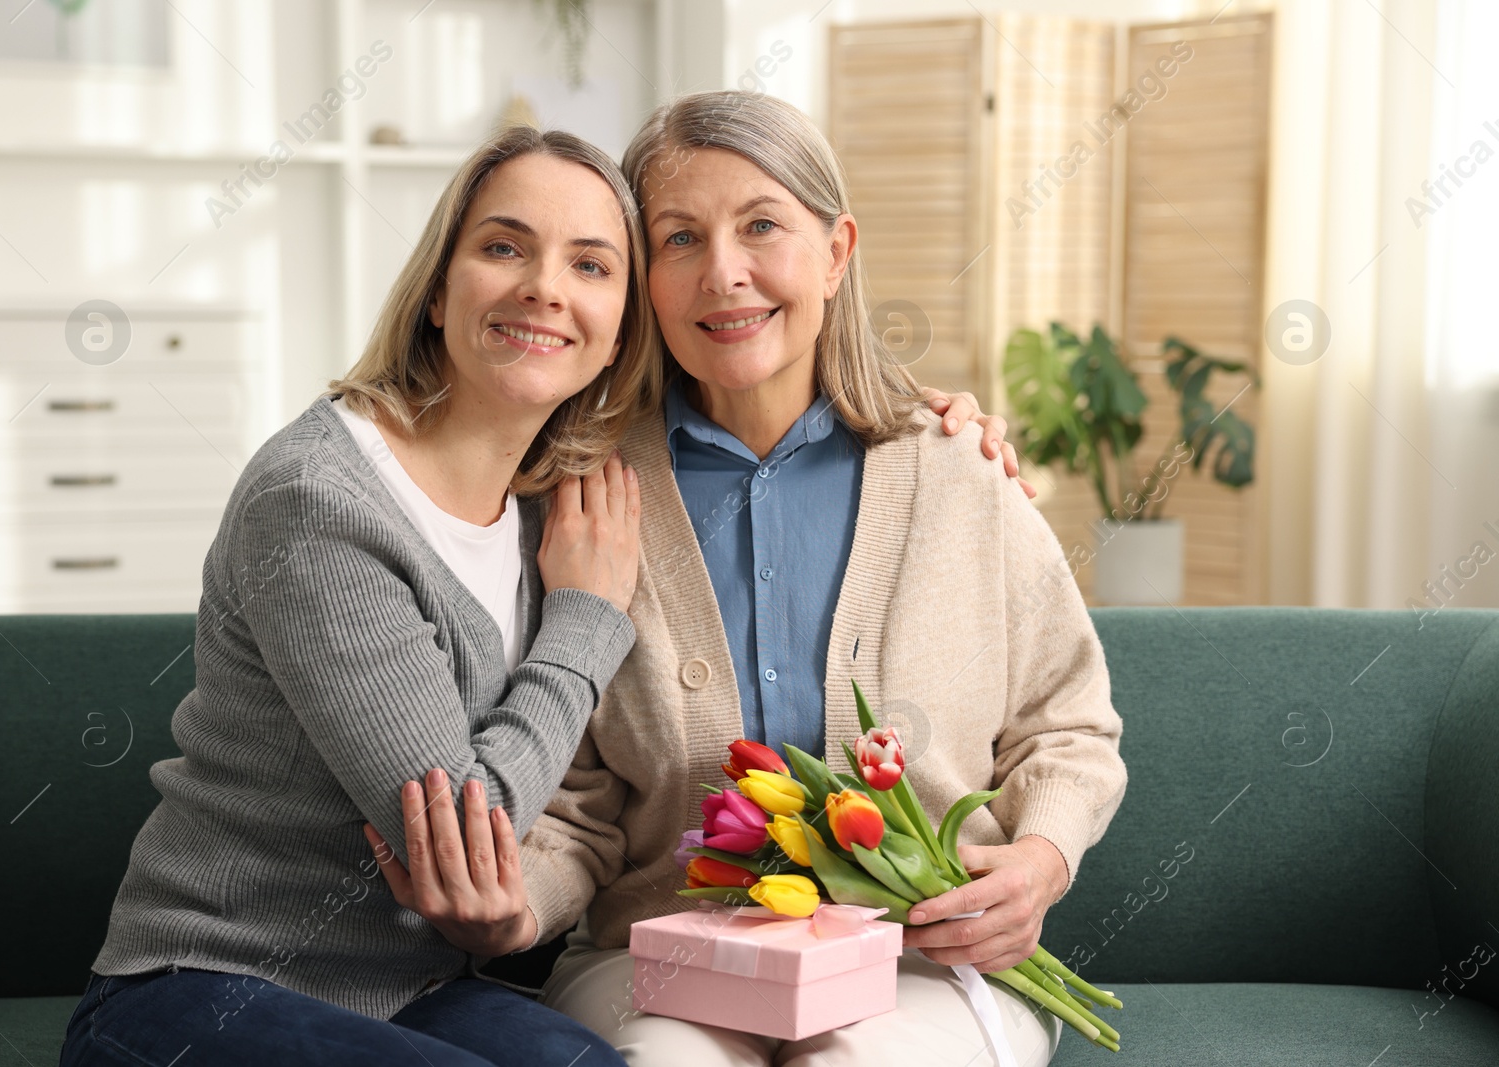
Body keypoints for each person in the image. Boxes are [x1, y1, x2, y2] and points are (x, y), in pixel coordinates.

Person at [379, 92, 1128, 1067]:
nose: (722, 273)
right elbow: (577, 802)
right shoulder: (580, 500)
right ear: (646, 282)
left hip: (921, 963)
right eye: (679, 238)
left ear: (836, 249)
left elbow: (1067, 725)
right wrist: (511, 906)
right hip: (661, 955)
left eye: (762, 225)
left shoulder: (954, 472)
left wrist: (1039, 858)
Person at [60, 125, 657, 1067]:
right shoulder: (320, 500)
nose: (545, 285)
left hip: (411, 990)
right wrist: (586, 621)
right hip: (203, 983)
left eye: (591, 264)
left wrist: (944, 420)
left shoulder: (559, 511)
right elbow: (470, 832)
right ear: (435, 291)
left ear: (621, 325)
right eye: (503, 246)